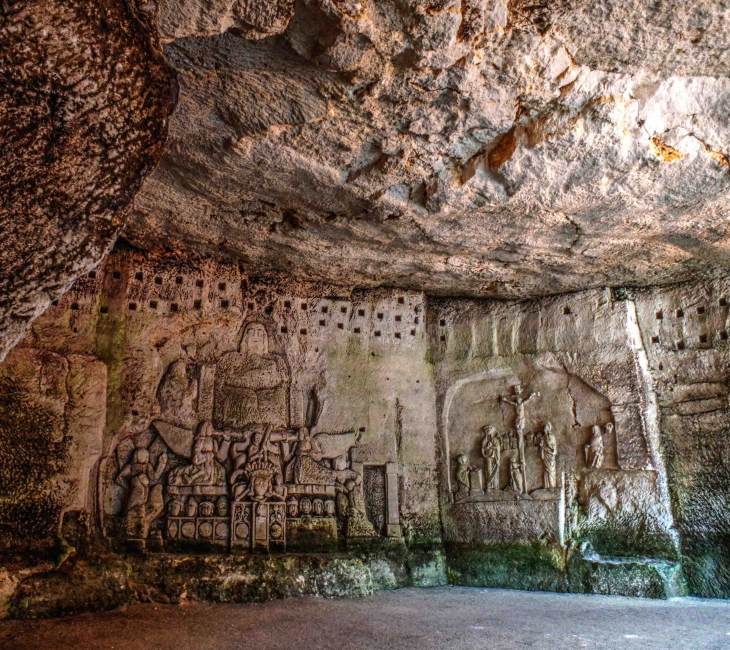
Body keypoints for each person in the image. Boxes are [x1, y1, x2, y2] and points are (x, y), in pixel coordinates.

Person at [116, 445, 167, 538]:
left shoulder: (146, 466)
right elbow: (119, 478)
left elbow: (154, 477)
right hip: (136, 492)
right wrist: (131, 486)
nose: (146, 458)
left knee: (140, 511)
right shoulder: (131, 467)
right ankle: (133, 532)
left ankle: (137, 531)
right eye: (145, 455)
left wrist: (161, 464)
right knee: (135, 509)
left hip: (144, 493)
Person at [168, 421, 230, 487]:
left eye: (211, 427)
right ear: (204, 430)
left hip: (211, 464)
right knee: (205, 473)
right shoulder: (200, 441)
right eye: (209, 427)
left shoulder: (213, 441)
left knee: (221, 470)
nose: (212, 429)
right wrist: (206, 456)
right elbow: (196, 458)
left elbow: (220, 457)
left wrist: (226, 440)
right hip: (201, 464)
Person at [481, 425, 501, 490]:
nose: (488, 432)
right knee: (488, 470)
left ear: (492, 432)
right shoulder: (484, 440)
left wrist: (491, 447)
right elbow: (482, 449)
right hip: (488, 457)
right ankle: (489, 485)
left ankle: (495, 485)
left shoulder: (495, 440)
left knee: (495, 469)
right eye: (487, 431)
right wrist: (485, 449)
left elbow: (498, 447)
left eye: (489, 431)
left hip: (494, 456)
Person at [539, 421, 558, 489]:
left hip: (550, 456)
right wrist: (541, 445)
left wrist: (545, 445)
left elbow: (553, 448)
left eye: (545, 427)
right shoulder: (544, 437)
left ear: (548, 428)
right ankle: (547, 486)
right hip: (546, 455)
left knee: (550, 470)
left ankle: (552, 486)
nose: (544, 429)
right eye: (544, 427)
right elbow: (542, 446)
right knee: (546, 470)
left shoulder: (550, 436)